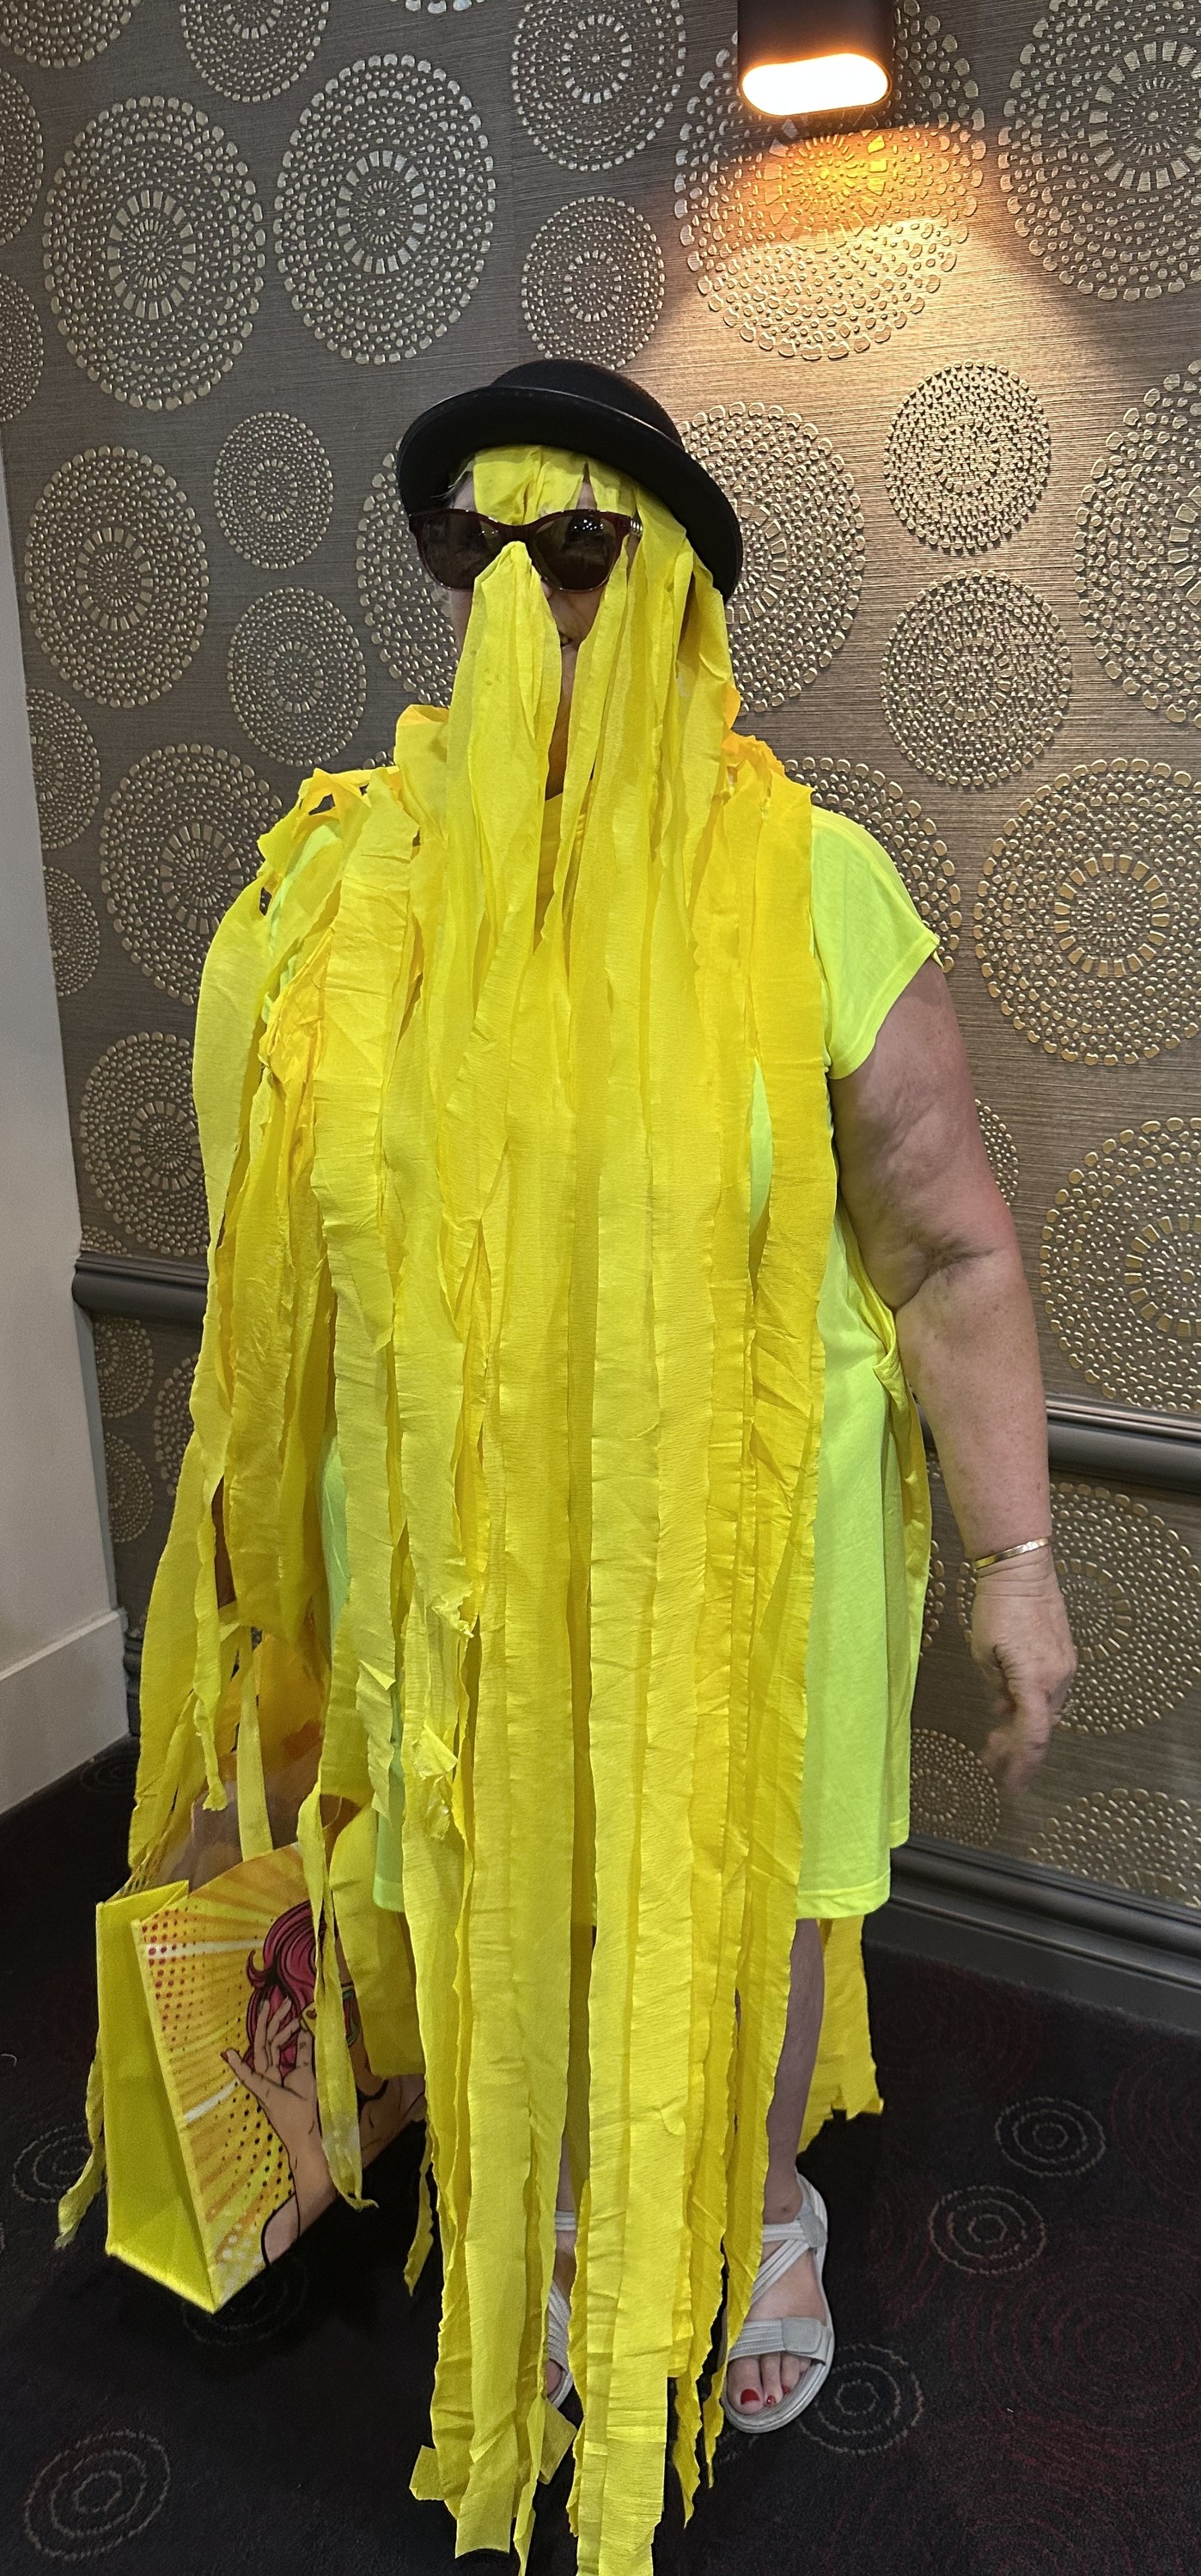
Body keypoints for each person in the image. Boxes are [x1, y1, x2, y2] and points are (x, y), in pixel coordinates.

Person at [72, 360, 1076, 2576]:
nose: (527, 594)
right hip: (452, 1541)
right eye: (479, 549)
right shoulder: (364, 884)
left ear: (683, 582)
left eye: (584, 548)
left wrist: (1017, 1558)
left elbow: (948, 1244)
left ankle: (759, 2210)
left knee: (754, 1885)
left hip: (749, 1542)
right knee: (480, 1867)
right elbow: (284, 1267)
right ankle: (536, 2203)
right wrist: (251, 1576)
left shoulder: (811, 881)